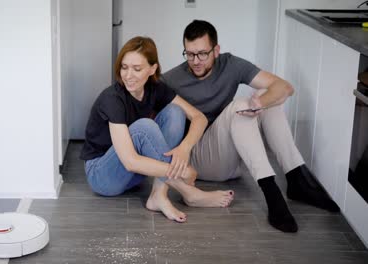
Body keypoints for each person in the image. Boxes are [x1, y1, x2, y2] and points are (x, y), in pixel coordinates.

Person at [161, 20, 339, 232]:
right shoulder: (172, 79)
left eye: (202, 54)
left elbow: (285, 87)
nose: (195, 61)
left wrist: (261, 103)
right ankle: (271, 192)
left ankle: (296, 177)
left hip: (233, 161)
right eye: (189, 54)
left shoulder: (232, 65)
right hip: (200, 161)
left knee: (268, 99)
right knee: (241, 106)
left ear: (216, 50)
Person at [79, 36, 234, 222]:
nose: (128, 75)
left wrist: (184, 149)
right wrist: (183, 172)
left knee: (175, 112)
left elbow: (198, 117)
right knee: (144, 127)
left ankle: (158, 195)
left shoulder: (155, 88)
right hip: (103, 175)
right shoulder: (112, 98)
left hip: (136, 176)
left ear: (152, 69)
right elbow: (130, 162)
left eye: (137, 69)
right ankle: (189, 193)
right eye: (124, 67)